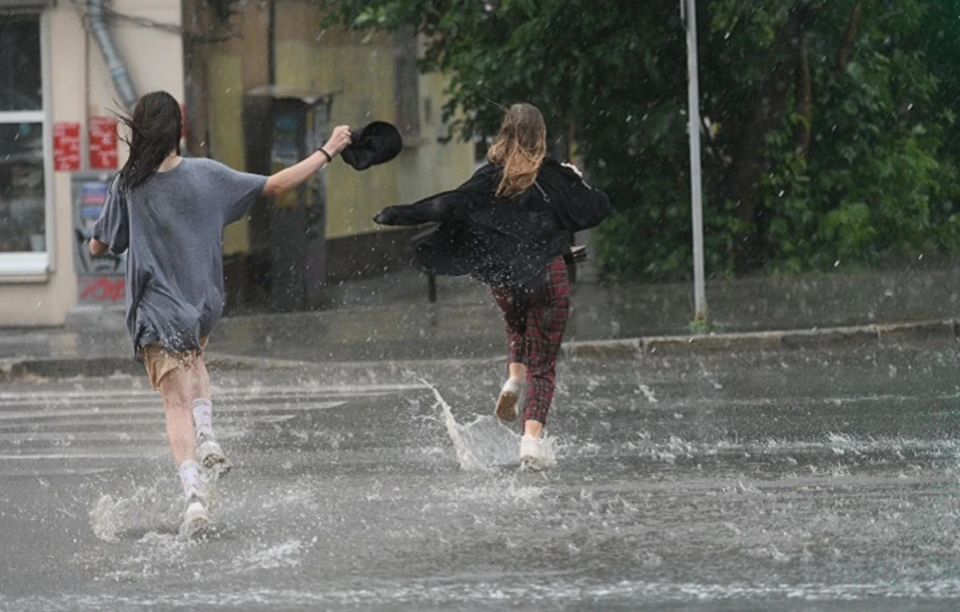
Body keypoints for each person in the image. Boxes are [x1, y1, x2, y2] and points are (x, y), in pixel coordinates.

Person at [89, 91, 352, 538]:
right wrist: (328, 150)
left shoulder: (127, 185)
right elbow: (277, 184)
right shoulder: (208, 175)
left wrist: (94, 241)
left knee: (174, 404)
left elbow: (102, 243)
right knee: (196, 360)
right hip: (202, 304)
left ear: (138, 131)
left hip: (156, 311)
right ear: (179, 130)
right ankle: (208, 433)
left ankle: (193, 498)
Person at [373, 102, 610, 465]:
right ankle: (531, 441)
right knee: (544, 365)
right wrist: (576, 179)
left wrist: (398, 213)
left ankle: (514, 378)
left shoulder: (489, 179)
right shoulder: (555, 177)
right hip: (549, 274)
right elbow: (597, 207)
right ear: (541, 137)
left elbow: (448, 204)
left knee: (516, 324)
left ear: (504, 133)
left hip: (505, 276)